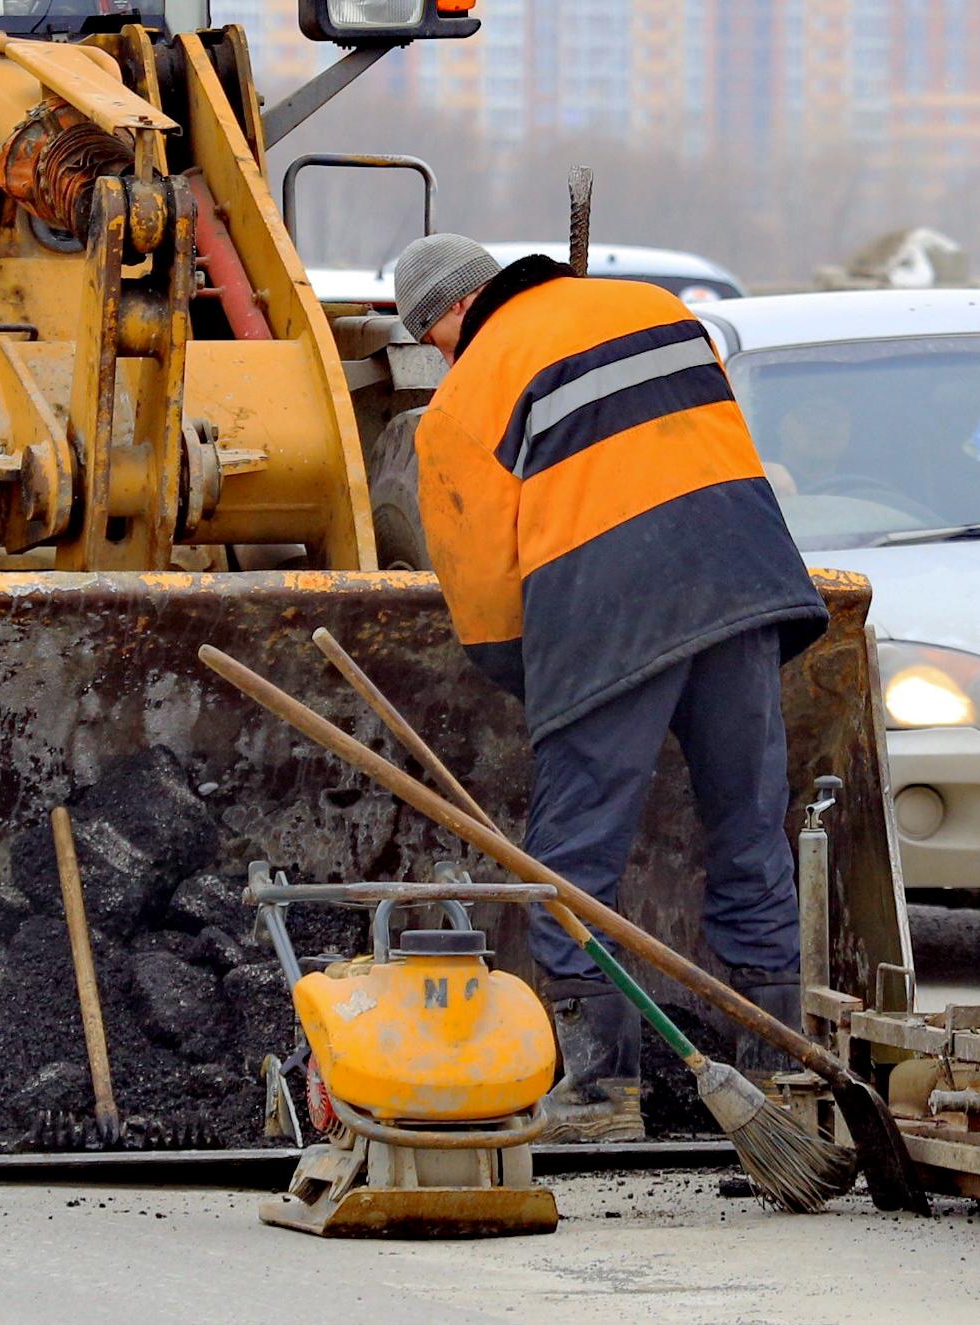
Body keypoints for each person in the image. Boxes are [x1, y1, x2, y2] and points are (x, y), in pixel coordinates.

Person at [385, 233, 830, 1143]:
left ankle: (597, 1090)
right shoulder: (660, 308)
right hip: (745, 582)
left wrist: (536, 678)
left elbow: (481, 589)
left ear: (451, 314)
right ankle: (778, 1071)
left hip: (609, 608)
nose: (442, 358)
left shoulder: (464, 398)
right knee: (749, 830)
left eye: (433, 340)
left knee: (574, 855)